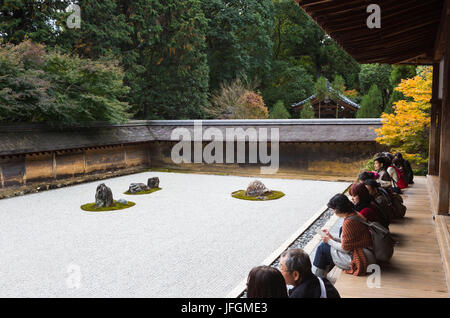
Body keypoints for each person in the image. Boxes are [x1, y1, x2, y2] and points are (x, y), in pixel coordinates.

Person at [312, 194, 376, 277]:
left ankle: (317, 280)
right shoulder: (355, 214)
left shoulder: (349, 222)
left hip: (362, 259)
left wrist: (329, 240)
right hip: (368, 255)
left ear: (338, 209)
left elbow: (345, 248)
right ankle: (321, 277)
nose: (333, 211)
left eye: (334, 209)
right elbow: (349, 242)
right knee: (326, 247)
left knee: (322, 248)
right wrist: (332, 238)